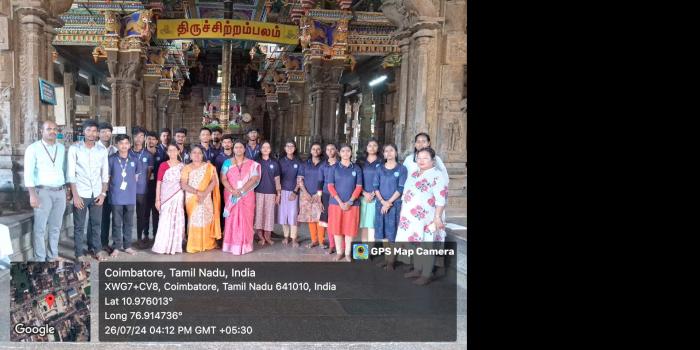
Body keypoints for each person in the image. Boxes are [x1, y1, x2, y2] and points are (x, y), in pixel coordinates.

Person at [396, 147, 448, 285]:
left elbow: (441, 199)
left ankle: (427, 274)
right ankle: (417, 269)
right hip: (411, 218)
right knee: (415, 244)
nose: (421, 161)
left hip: (428, 218)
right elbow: (406, 194)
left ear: (433, 160)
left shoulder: (437, 175)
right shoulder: (414, 173)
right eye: (419, 158)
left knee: (427, 246)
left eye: (425, 158)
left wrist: (437, 217)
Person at [24, 120, 69, 262]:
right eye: (49, 129)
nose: (53, 131)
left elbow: (64, 170)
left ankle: (52, 255)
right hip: (42, 192)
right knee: (40, 228)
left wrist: (66, 189)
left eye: (55, 129)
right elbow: (28, 174)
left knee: (56, 227)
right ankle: (40, 258)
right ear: (41, 131)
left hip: (60, 192)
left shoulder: (61, 148)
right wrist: (32, 195)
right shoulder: (33, 149)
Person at [67, 119, 110, 262]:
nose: (92, 134)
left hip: (97, 193)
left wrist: (103, 193)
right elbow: (71, 174)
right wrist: (76, 196)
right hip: (81, 193)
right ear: (83, 132)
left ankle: (97, 249)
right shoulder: (75, 149)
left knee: (96, 224)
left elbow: (105, 174)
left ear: (97, 133)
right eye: (88, 130)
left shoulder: (102, 150)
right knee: (79, 225)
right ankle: (79, 253)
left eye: (94, 131)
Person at [221, 140, 261, 255]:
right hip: (231, 195)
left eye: (241, 147)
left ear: (244, 149)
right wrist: (232, 190)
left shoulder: (252, 163)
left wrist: (242, 190)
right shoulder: (227, 163)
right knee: (231, 219)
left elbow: (254, 179)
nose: (238, 149)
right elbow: (223, 178)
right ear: (233, 149)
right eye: (236, 147)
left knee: (246, 218)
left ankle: (245, 245)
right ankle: (231, 245)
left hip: (246, 195)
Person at [180, 145, 221, 253]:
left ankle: (208, 243)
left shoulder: (209, 167)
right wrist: (198, 193)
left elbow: (214, 181)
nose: (197, 155)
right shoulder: (186, 168)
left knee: (206, 217)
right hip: (192, 198)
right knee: (194, 220)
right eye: (194, 152)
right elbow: (183, 185)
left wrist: (204, 193)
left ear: (203, 155)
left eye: (199, 153)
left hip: (206, 197)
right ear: (190, 155)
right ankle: (194, 244)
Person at [373, 143, 407, 270]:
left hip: (395, 206)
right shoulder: (379, 168)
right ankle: (387, 259)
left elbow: (401, 188)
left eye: (391, 150)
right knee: (384, 234)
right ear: (383, 154)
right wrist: (382, 201)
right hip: (381, 205)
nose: (389, 153)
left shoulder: (402, 169)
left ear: (396, 153)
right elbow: (375, 186)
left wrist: (388, 202)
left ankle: (391, 262)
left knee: (392, 234)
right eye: (386, 151)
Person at [108, 134, 143, 257]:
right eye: (121, 143)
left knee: (129, 222)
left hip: (130, 196)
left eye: (126, 143)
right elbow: (108, 178)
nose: (124, 146)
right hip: (116, 196)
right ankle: (116, 246)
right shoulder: (111, 159)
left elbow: (136, 177)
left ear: (129, 144)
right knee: (117, 222)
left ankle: (127, 245)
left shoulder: (134, 159)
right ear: (117, 145)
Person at [327, 144, 363, 262]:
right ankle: (339, 252)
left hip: (352, 205)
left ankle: (347, 253)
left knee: (349, 229)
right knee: (337, 229)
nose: (346, 153)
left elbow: (359, 187)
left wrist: (350, 201)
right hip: (336, 204)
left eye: (348, 151)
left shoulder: (356, 168)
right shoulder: (334, 168)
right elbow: (330, 186)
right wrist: (340, 202)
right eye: (343, 151)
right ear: (339, 153)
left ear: (351, 153)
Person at [152, 144, 186, 255]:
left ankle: (175, 246)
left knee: (177, 219)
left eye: (174, 150)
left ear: (178, 151)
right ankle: (162, 246)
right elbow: (159, 182)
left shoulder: (182, 166)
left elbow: (184, 183)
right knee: (165, 221)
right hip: (166, 197)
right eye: (170, 150)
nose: (172, 152)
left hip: (178, 196)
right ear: (167, 152)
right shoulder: (163, 165)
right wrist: (157, 200)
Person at [297, 142, 325, 249]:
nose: (316, 151)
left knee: (319, 217)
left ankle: (321, 241)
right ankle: (314, 240)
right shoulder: (304, 164)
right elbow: (300, 180)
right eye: (314, 149)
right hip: (306, 195)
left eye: (318, 149)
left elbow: (325, 180)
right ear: (310, 150)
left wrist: (318, 194)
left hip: (319, 195)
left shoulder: (324, 164)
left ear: (321, 151)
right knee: (310, 218)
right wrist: (306, 193)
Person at [130, 127, 154, 248]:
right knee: (127, 215)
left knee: (141, 215)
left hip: (142, 190)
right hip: (128, 190)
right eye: (136, 136)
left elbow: (149, 172)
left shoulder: (148, 155)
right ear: (132, 137)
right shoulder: (127, 152)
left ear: (144, 138)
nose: (138, 139)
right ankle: (126, 239)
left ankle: (139, 238)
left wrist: (143, 183)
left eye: (141, 136)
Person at [253, 141, 281, 246]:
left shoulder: (274, 163)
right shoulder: (256, 163)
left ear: (270, 149)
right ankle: (260, 237)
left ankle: (267, 237)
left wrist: (278, 194)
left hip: (271, 193)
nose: (265, 149)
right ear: (260, 149)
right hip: (258, 192)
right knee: (259, 215)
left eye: (267, 147)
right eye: (263, 147)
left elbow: (277, 179)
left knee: (269, 215)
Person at [278, 140, 302, 247]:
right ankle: (286, 236)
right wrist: (278, 192)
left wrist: (295, 191)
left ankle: (294, 238)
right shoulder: (280, 161)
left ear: (295, 148)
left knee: (293, 215)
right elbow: (277, 178)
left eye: (292, 146)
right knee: (283, 215)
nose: (290, 148)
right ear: (284, 148)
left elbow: (300, 178)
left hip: (294, 192)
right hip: (282, 191)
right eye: (287, 146)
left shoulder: (298, 162)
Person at [359, 139, 382, 243]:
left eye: (375, 145)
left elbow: (383, 178)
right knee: (364, 225)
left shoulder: (382, 161)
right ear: (366, 148)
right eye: (370, 145)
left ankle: (370, 252)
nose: (372, 148)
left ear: (378, 148)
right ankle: (363, 254)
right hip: (363, 196)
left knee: (372, 225)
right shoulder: (360, 161)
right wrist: (364, 193)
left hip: (376, 196)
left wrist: (373, 193)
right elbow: (357, 179)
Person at [99, 122, 116, 251]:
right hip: (98, 189)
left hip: (112, 189)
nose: (106, 134)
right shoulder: (94, 149)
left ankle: (104, 243)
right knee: (96, 218)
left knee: (107, 216)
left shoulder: (115, 150)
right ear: (99, 133)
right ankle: (94, 244)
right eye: (103, 131)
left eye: (108, 131)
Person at [319, 143, 339, 252]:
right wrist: (319, 198)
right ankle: (332, 244)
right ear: (325, 152)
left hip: (339, 195)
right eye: (328, 149)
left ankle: (340, 244)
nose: (330, 151)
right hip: (326, 195)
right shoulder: (323, 166)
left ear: (336, 150)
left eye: (332, 149)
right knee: (329, 221)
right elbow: (320, 182)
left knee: (338, 219)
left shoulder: (341, 164)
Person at [152, 128, 171, 238]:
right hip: (157, 182)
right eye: (164, 135)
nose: (166, 137)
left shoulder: (173, 149)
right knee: (157, 210)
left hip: (169, 186)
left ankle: (167, 234)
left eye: (168, 135)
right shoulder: (156, 149)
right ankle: (155, 234)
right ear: (160, 137)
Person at [145, 131, 159, 242]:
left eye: (153, 139)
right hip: (145, 186)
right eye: (149, 139)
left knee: (156, 212)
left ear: (157, 141)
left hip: (157, 187)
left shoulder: (162, 154)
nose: (151, 141)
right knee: (145, 212)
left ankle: (156, 234)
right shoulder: (142, 153)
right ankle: (145, 235)